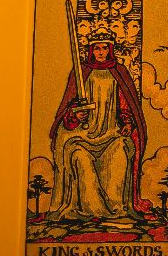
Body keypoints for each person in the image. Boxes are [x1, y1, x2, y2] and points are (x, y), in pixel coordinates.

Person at [46, 32, 148, 226]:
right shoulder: (81, 72)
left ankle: (118, 209)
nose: (100, 52)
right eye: (97, 48)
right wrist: (76, 115)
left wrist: (126, 123)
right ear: (91, 51)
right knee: (78, 156)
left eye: (104, 48)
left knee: (121, 153)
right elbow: (68, 105)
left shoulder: (119, 72)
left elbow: (125, 104)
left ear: (110, 50)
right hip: (82, 136)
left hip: (110, 134)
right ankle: (85, 210)